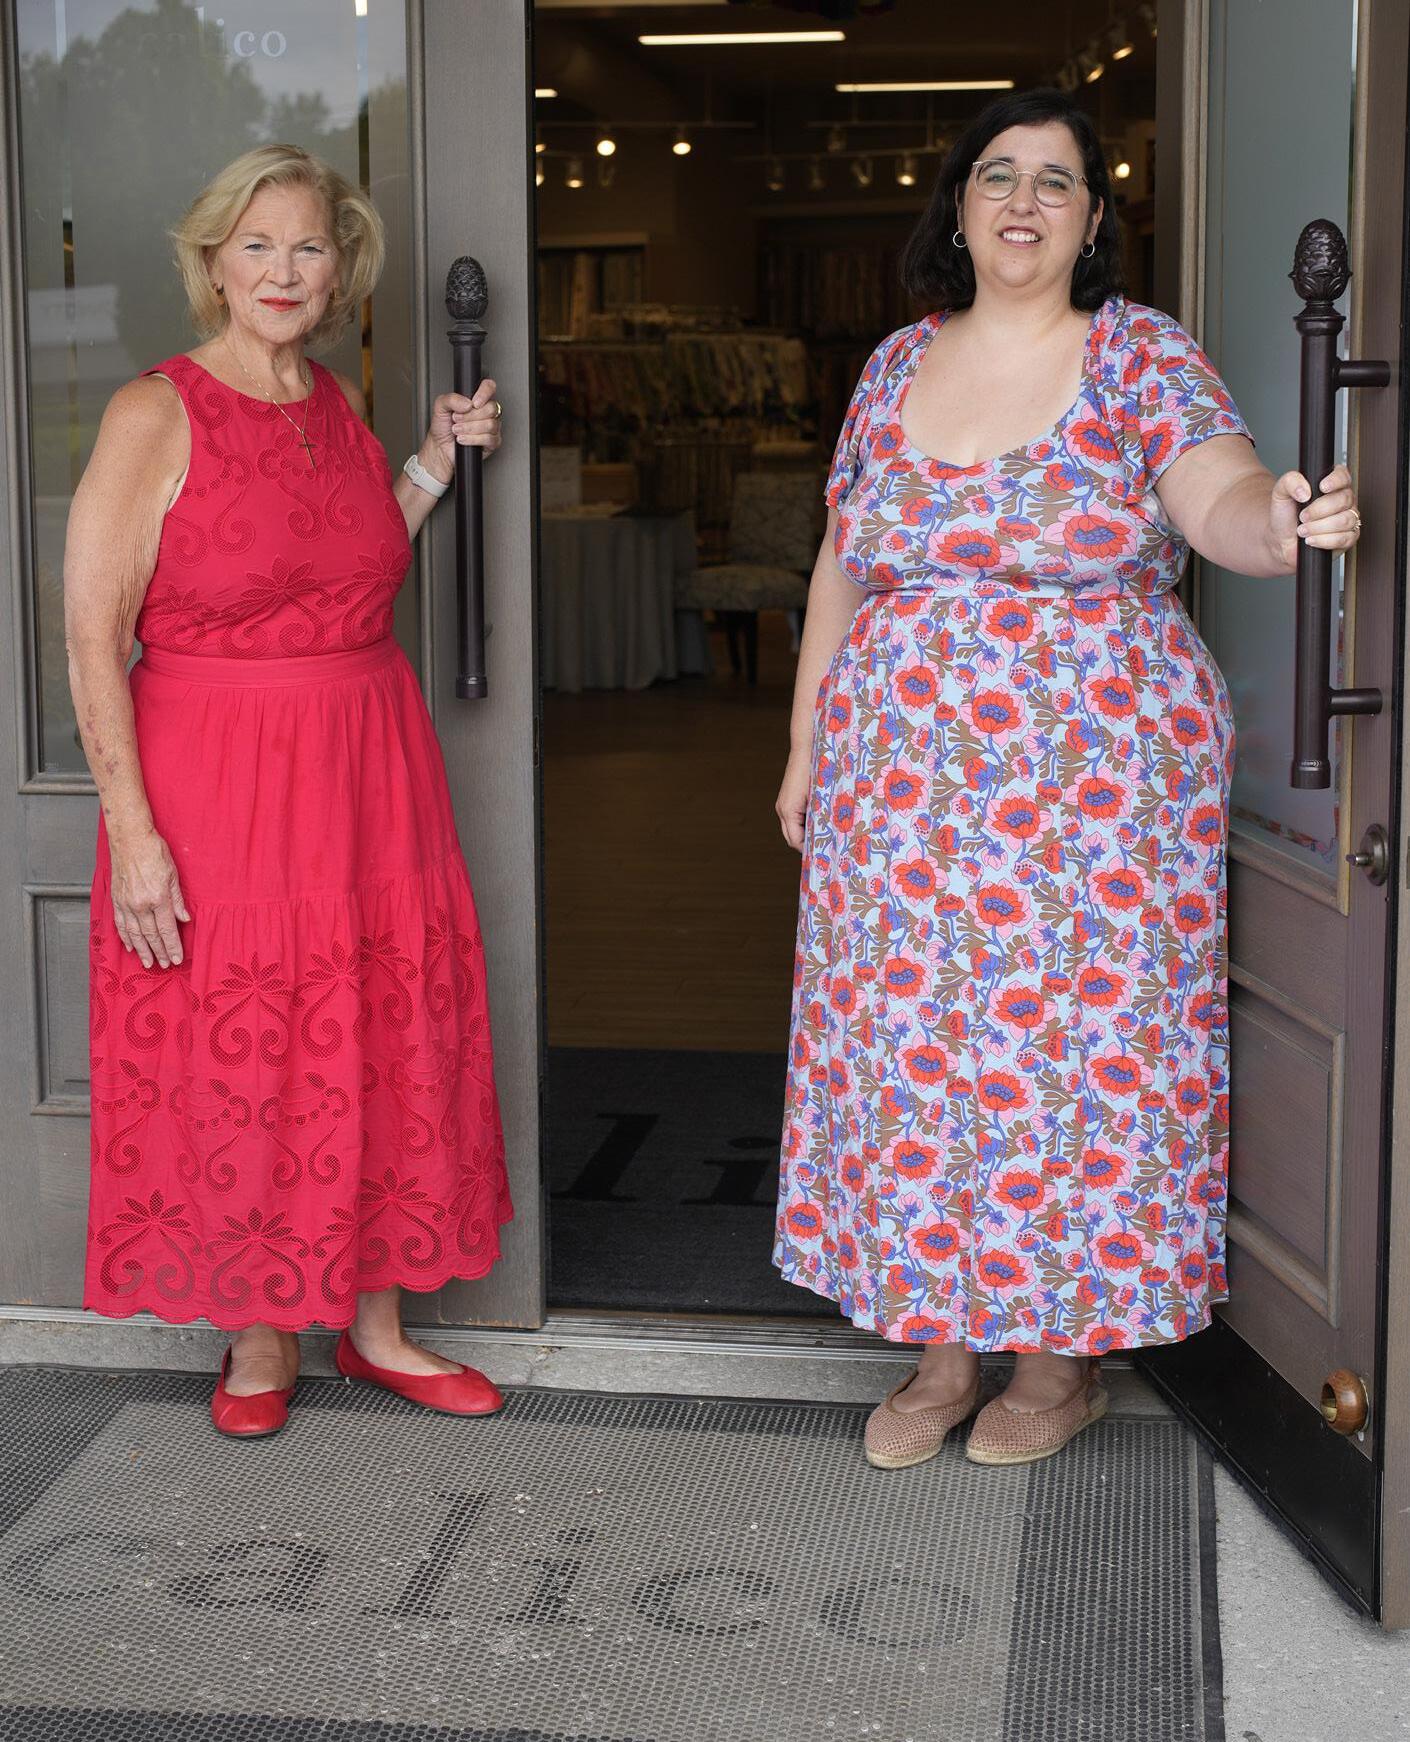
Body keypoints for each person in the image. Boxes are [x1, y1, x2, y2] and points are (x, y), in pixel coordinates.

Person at [772, 89, 1362, 1469]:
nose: (1023, 201)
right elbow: (844, 562)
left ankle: (1055, 1360)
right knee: (909, 1056)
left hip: (1090, 796)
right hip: (898, 789)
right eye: (998, 175)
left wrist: (1279, 520)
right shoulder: (893, 364)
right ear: (959, 209)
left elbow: (1215, 499)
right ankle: (937, 1345)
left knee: (1067, 1061)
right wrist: (804, 746)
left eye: (1055, 180)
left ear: (1093, 218)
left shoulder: (1140, 356)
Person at [66, 144, 513, 1438]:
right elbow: (92, 637)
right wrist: (134, 836)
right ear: (213, 263)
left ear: (339, 271)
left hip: (368, 766)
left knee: (373, 1030)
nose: (282, 270)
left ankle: (375, 1329)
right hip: (220, 783)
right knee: (249, 1053)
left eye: (308, 247)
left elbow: (347, 566)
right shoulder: (155, 412)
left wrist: (429, 464)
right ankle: (259, 1332)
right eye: (255, 245)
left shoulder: (331, 398)